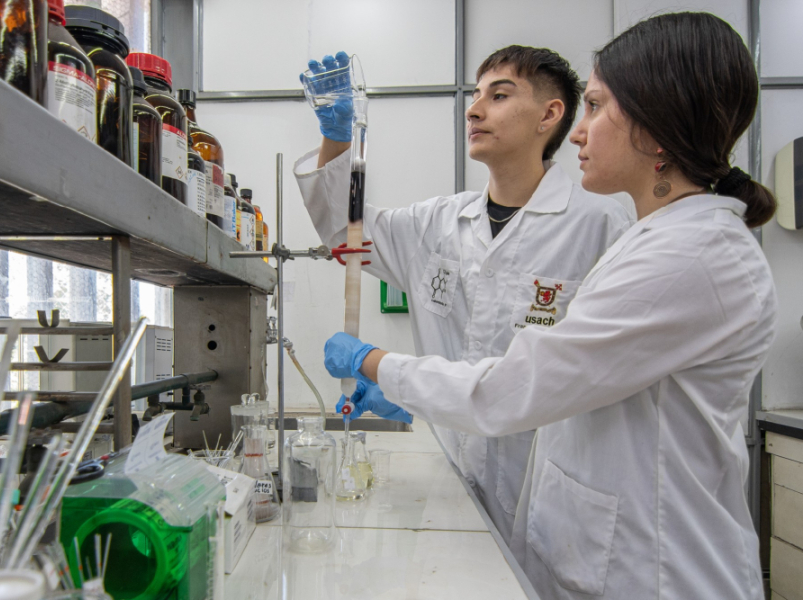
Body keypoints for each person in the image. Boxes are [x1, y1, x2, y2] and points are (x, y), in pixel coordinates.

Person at [323, 12, 777, 600]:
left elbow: (519, 385)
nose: (582, 133)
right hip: (591, 542)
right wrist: (414, 392)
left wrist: (378, 363)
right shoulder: (661, 238)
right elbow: (347, 228)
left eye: (595, 106)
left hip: (659, 570)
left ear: (656, 121)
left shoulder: (686, 255)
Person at [296, 46, 631, 543]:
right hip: (450, 479)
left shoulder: (601, 224)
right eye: (475, 96)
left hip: (548, 493)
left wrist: (382, 365)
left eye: (498, 95)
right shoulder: (436, 224)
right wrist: (336, 137)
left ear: (550, 114)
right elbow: (343, 232)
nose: (474, 109)